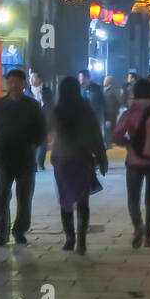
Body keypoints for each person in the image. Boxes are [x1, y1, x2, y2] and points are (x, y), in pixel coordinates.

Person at [0, 68, 47, 246]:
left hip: (26, 158)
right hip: (3, 158)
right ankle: (1, 232)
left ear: (24, 85)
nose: (14, 85)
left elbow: (41, 130)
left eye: (17, 82)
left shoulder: (33, 106)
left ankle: (20, 230)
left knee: (24, 196)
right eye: (10, 82)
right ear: (6, 83)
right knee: (1, 195)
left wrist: (34, 144)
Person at [50, 76, 108, 254]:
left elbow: (49, 133)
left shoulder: (57, 111)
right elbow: (96, 136)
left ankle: (70, 238)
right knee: (83, 202)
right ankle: (81, 240)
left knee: (65, 199)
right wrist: (101, 157)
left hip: (62, 160)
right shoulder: (86, 110)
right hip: (82, 159)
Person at [114, 79, 150, 248]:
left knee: (133, 198)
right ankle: (149, 238)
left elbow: (117, 135)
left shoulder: (131, 112)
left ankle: (138, 226)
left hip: (135, 161)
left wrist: (129, 145)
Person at [29, 70, 53, 171]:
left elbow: (51, 106)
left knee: (43, 142)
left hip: (44, 120)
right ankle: (33, 164)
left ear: (39, 79)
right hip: (31, 122)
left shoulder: (47, 91)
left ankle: (40, 163)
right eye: (30, 77)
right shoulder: (27, 92)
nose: (31, 79)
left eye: (33, 77)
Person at [102, 75, 122, 148]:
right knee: (107, 129)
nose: (104, 81)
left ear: (109, 81)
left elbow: (119, 101)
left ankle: (110, 144)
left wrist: (116, 111)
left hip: (111, 113)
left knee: (109, 129)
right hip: (105, 112)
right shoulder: (104, 90)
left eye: (105, 80)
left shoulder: (113, 90)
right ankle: (108, 143)